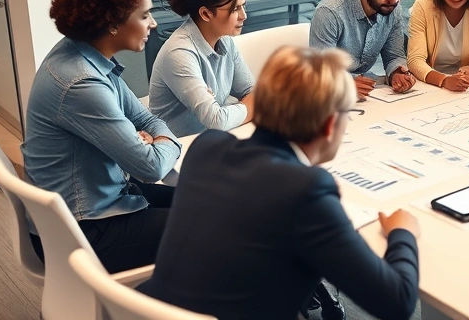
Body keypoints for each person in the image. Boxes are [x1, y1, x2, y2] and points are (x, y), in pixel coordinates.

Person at [138, 46, 421, 320]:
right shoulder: (306, 190)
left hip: (140, 312)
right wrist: (402, 234)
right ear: (329, 125)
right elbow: (397, 302)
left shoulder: (207, 146)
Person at [22, 0, 182, 273]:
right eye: (145, 15)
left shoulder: (81, 55)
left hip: (99, 204)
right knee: (218, 226)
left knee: (213, 206)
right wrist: (165, 142)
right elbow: (149, 166)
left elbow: (147, 120)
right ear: (112, 23)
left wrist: (156, 138)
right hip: (81, 234)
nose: (153, 24)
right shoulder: (82, 82)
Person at [149, 0, 254, 137]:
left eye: (243, 6)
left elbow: (252, 91)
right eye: (235, 9)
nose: (244, 16)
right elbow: (217, 121)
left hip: (210, 141)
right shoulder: (179, 53)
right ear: (205, 13)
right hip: (180, 149)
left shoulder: (225, 40)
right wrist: (251, 106)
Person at [310, 0, 416, 100]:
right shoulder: (330, 13)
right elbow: (319, 72)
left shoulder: (393, 10)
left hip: (367, 95)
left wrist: (396, 74)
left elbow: (393, 57)